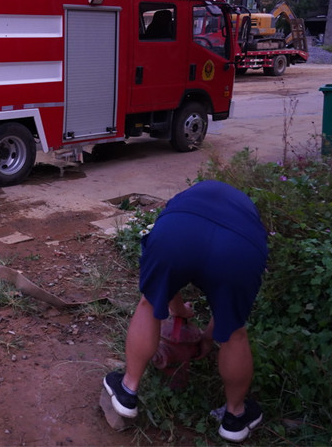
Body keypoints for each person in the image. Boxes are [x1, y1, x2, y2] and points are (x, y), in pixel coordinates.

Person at [103, 180, 268, 442]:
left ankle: (128, 390)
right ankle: (235, 417)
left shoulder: (185, 200)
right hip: (239, 247)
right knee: (235, 332)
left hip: (178, 231)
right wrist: (207, 337)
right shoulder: (249, 217)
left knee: (148, 302)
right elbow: (227, 313)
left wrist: (177, 308)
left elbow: (165, 286)